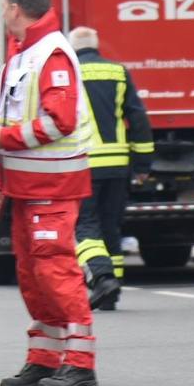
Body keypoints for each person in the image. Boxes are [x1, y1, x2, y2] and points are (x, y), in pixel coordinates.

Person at [0, 0, 99, 386]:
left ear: (16, 8)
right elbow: (13, 120)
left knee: (55, 270)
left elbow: (58, 121)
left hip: (52, 183)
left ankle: (81, 363)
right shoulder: (23, 56)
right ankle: (44, 358)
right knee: (33, 275)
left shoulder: (49, 54)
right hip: (25, 184)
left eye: (3, 6)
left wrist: (5, 141)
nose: (1, 13)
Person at [67, 27, 153, 312]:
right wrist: (142, 165)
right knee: (110, 226)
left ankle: (102, 276)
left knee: (85, 225)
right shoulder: (118, 72)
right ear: (96, 45)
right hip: (117, 164)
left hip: (84, 163)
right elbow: (137, 118)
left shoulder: (68, 73)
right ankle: (113, 291)